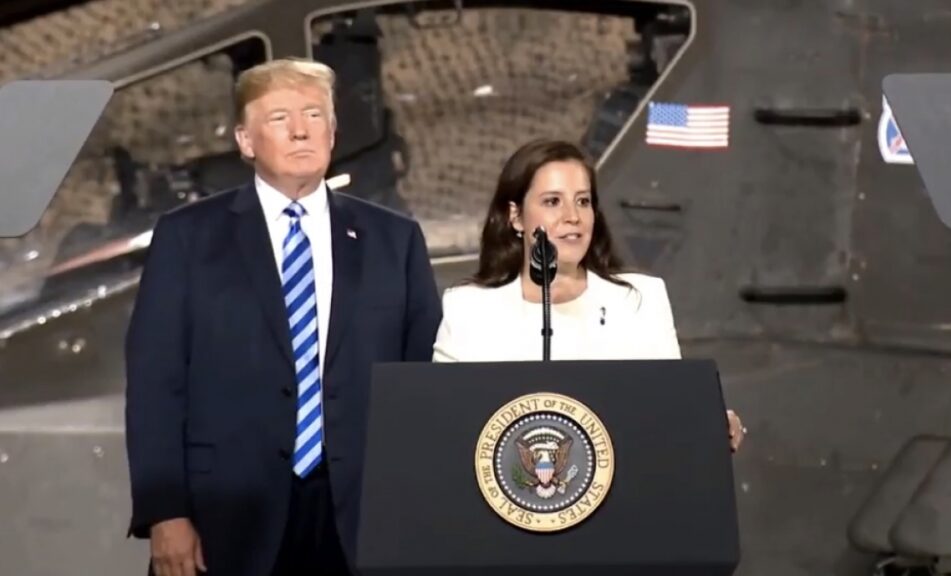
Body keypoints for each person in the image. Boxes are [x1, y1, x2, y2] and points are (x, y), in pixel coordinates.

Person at [124, 58, 441, 576]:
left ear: (333, 132)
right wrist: (166, 512)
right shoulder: (187, 238)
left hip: (361, 516)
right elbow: (156, 383)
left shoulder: (394, 240)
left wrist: (418, 506)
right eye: (279, 118)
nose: (300, 130)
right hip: (225, 517)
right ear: (245, 141)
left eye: (314, 115)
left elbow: (421, 380)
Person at [432, 138, 745, 450]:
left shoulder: (640, 300)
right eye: (552, 201)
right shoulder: (468, 308)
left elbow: (670, 410)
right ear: (515, 216)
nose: (573, 216)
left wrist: (706, 423)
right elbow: (443, 425)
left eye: (582, 201)